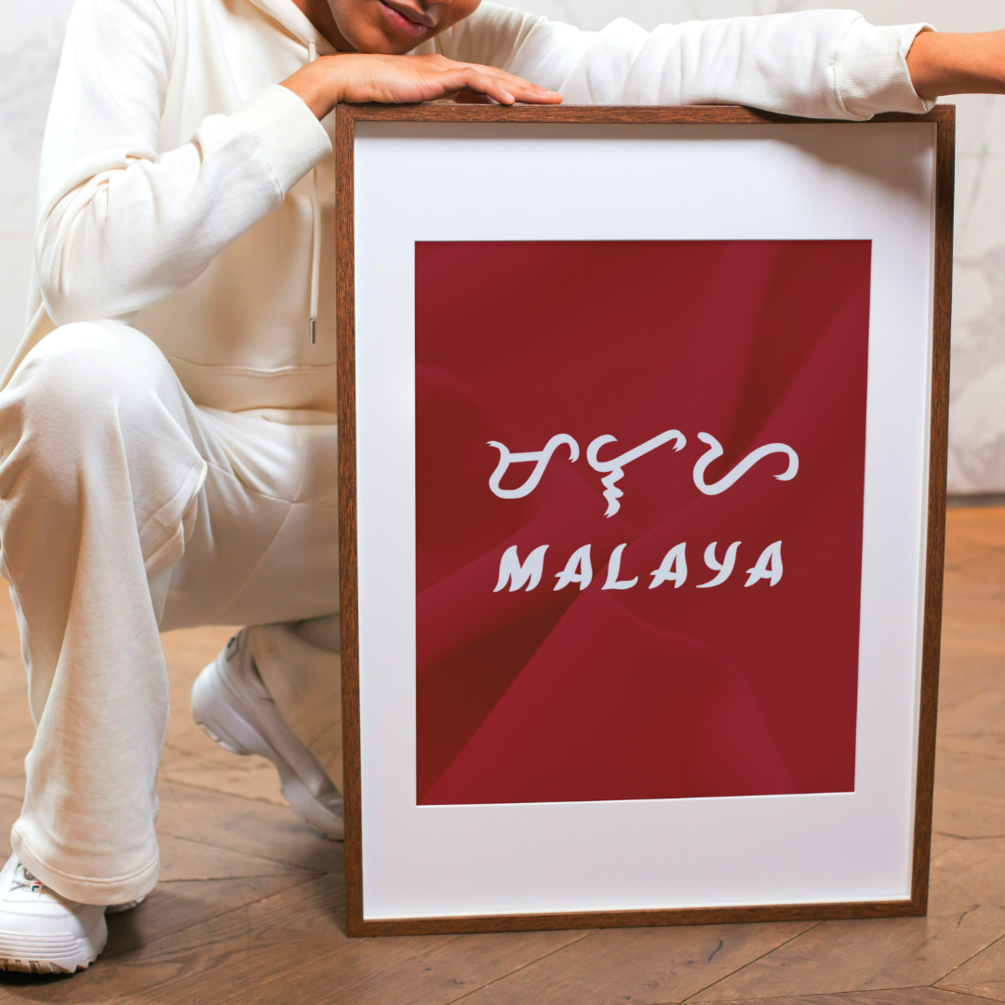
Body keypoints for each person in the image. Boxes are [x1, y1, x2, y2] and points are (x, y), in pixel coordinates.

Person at [0, 0, 999, 975]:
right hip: (177, 484)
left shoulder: (480, 44)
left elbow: (690, 60)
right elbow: (83, 267)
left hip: (372, 501)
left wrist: (944, 56)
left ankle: (295, 674)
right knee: (80, 380)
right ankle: (74, 859)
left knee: (571, 460)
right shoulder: (147, 12)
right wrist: (316, 92)